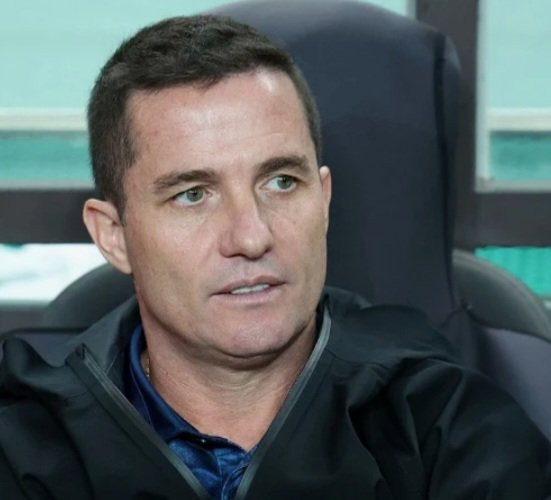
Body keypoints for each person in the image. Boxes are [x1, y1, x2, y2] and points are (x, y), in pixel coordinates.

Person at [0, 14, 549, 500]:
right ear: (114, 235)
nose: (252, 235)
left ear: (324, 200)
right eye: (192, 194)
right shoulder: (26, 446)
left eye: (281, 182)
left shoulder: (447, 430)